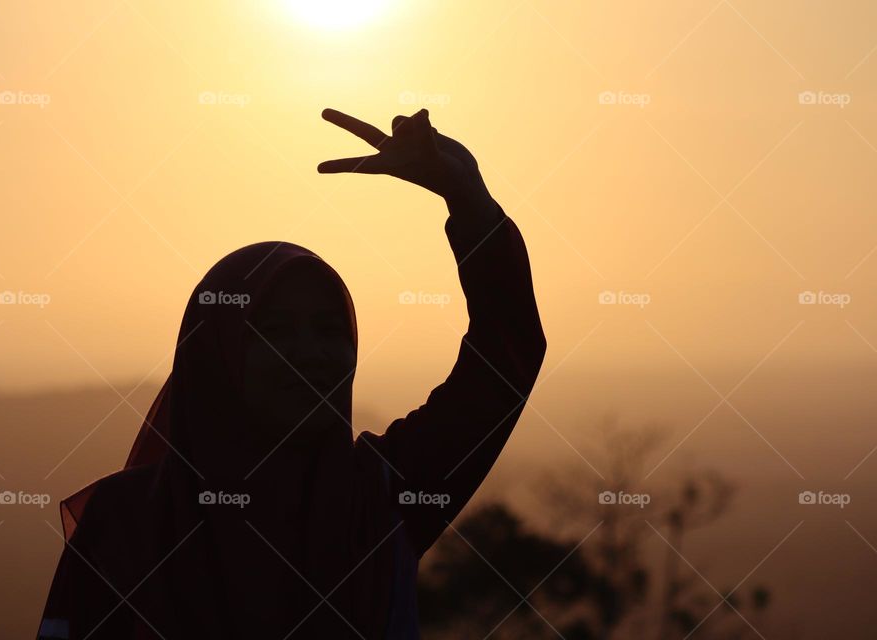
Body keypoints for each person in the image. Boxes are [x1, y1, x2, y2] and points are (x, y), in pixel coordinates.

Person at [37, 107, 546, 639]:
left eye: (329, 330)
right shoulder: (123, 522)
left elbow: (502, 362)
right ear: (214, 356)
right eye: (274, 331)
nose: (309, 353)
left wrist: (467, 200)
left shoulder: (383, 496)